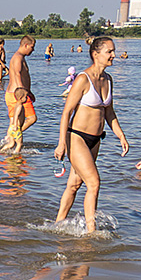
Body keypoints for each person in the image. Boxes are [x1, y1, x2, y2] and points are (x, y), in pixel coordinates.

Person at [52, 34, 128, 231]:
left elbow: (109, 112)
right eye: (109, 51)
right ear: (96, 54)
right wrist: (61, 143)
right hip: (77, 137)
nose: (113, 55)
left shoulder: (108, 79)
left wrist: (121, 135)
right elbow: (66, 112)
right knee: (93, 183)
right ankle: (91, 232)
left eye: (113, 51)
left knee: (74, 184)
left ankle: (57, 225)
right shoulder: (82, 79)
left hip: (95, 140)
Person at [0, 34, 37, 154]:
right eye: (32, 47)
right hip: (18, 94)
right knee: (32, 118)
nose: (33, 50)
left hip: (12, 94)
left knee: (15, 121)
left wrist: (29, 91)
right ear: (26, 45)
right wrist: (23, 93)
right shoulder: (18, 58)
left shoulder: (19, 57)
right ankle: (13, 136)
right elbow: (17, 75)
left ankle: (9, 143)